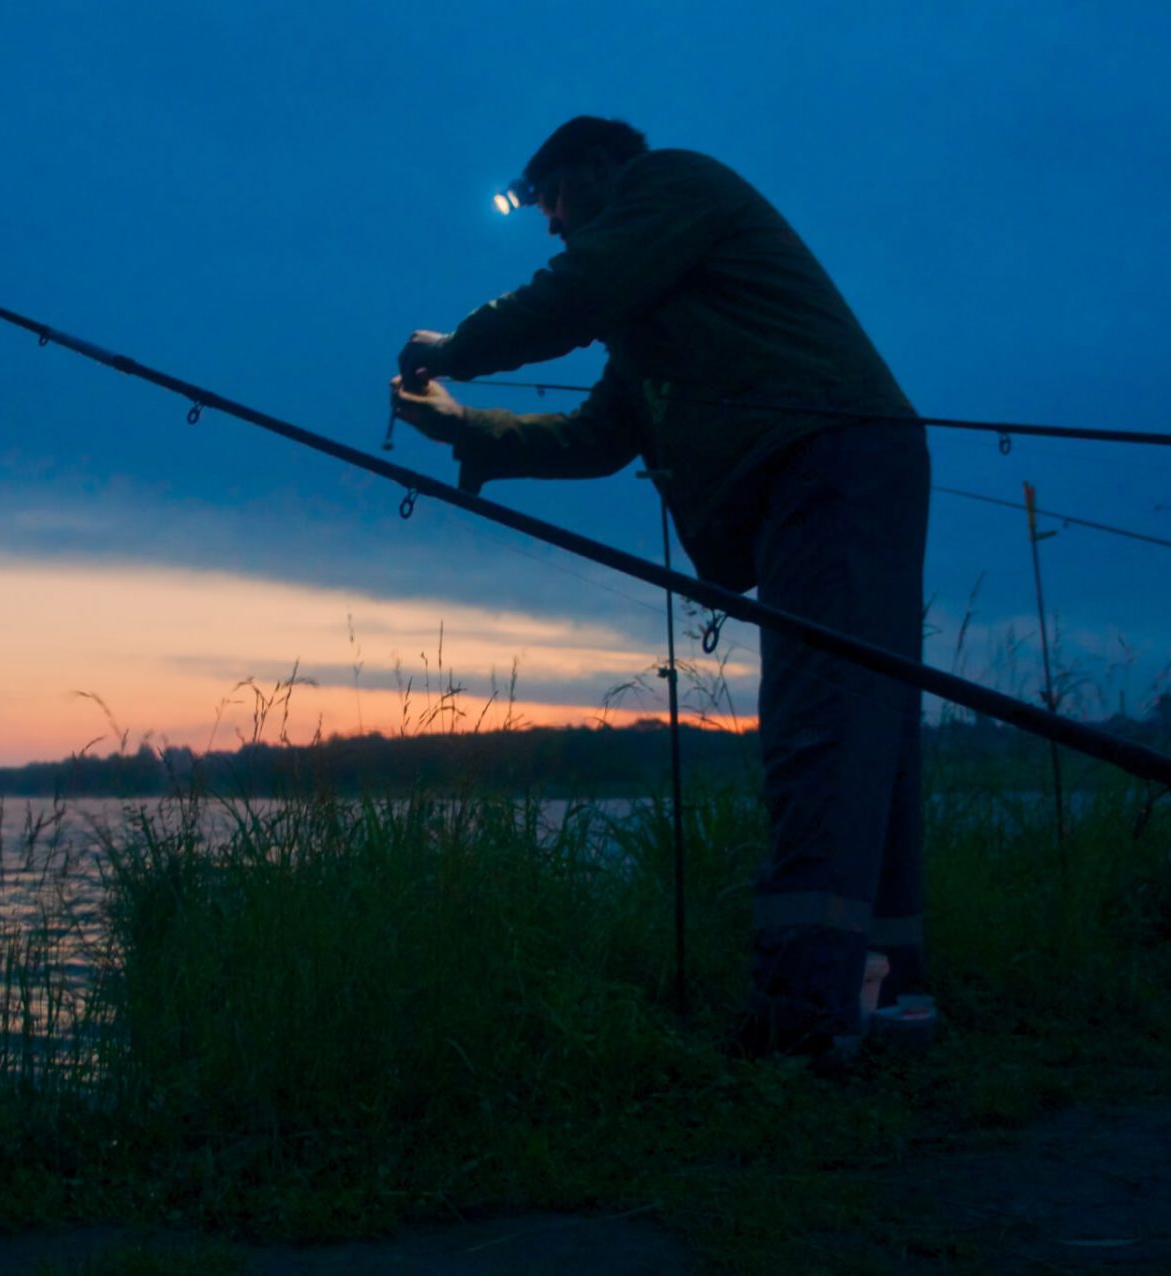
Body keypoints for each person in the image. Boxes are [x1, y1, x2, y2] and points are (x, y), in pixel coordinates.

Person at [390, 116, 930, 1058]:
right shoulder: (649, 311)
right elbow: (599, 437)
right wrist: (460, 426)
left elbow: (573, 292)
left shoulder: (672, 184)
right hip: (829, 474)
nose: (552, 224)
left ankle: (804, 1017)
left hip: (834, 465)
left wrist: (449, 347)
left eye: (552, 196)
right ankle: (883, 1002)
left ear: (602, 171)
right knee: (860, 727)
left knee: (827, 729)